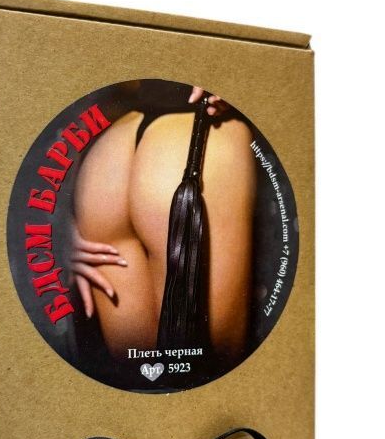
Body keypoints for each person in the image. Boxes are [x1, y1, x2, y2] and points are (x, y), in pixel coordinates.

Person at [72, 85, 256, 367]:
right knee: (213, 368)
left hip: (109, 153)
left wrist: (59, 229)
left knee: (138, 372)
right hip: (192, 137)